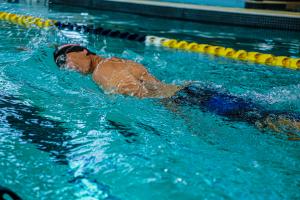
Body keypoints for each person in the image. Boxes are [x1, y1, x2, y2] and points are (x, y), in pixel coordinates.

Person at [53, 44, 300, 140]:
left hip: (186, 99)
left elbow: (136, 92)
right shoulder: (114, 60)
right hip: (192, 91)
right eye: (60, 65)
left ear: (83, 51)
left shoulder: (102, 72)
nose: (67, 66)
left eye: (65, 59)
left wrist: (178, 116)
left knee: (267, 122)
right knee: (263, 115)